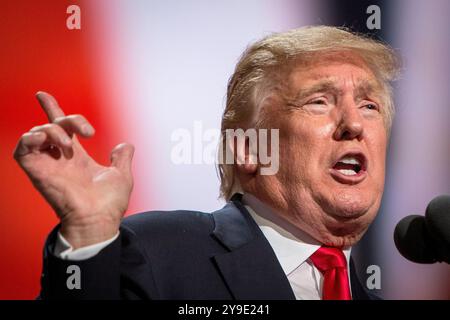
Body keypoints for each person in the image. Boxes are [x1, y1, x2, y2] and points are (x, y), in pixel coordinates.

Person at [14, 26, 400, 300]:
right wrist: (89, 234)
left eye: (370, 107)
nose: (354, 124)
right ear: (249, 148)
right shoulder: (157, 252)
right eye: (319, 101)